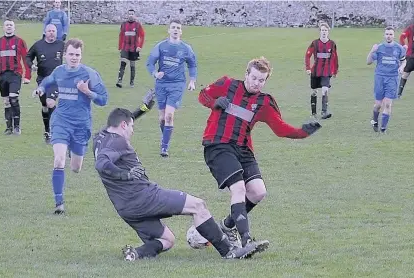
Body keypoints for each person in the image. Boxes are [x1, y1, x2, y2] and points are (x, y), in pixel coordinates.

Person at [92, 107, 269, 261]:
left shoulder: (100, 136)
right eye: (131, 126)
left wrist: (143, 109)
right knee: (198, 205)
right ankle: (229, 251)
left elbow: (117, 130)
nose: (132, 130)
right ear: (123, 125)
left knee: (167, 241)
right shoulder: (118, 141)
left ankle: (136, 254)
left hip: (126, 208)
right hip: (144, 197)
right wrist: (125, 174)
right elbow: (101, 164)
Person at [198, 57, 322, 248]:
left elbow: (280, 128)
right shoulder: (227, 84)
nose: (256, 83)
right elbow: (203, 96)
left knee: (257, 192)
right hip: (217, 145)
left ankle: (227, 226)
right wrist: (214, 102)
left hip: (243, 149)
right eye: (254, 78)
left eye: (261, 80)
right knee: (238, 189)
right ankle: (246, 240)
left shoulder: (264, 102)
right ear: (246, 74)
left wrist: (303, 132)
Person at [34, 38, 108, 214]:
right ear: (65, 55)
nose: (74, 58)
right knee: (59, 160)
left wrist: (87, 91)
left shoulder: (89, 74)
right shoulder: (59, 71)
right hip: (61, 121)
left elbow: (103, 99)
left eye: (77, 55)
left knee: (75, 168)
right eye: (71, 54)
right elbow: (47, 81)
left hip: (81, 125)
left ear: (81, 56)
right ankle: (59, 203)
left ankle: (70, 148)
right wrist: (41, 89)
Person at [146, 19, 197, 157]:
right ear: (169, 30)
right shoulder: (161, 46)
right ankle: (166, 138)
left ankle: (164, 147)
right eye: (173, 27)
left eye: (178, 28)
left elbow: (192, 64)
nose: (175, 30)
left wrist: (192, 80)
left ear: (181, 31)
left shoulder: (186, 48)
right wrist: (155, 73)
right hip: (161, 85)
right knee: (162, 118)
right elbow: (150, 63)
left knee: (169, 115)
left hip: (177, 84)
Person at [0, 19, 31, 135]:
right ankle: (9, 128)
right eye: (7, 25)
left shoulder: (20, 41)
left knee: (13, 98)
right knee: (6, 102)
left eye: (11, 25)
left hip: (15, 74)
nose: (8, 27)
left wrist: (27, 76)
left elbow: (25, 58)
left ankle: (17, 126)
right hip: (2, 75)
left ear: (14, 28)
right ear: (3, 28)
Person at [26, 24, 65, 143]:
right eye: (49, 31)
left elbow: (71, 55)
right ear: (45, 32)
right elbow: (28, 57)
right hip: (42, 79)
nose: (52, 33)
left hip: (57, 80)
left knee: (50, 103)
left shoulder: (62, 45)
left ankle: (56, 128)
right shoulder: (38, 45)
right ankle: (47, 131)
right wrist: (31, 65)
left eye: (54, 31)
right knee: (44, 106)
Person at [367, 27, 406, 133]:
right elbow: (368, 62)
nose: (389, 36)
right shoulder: (379, 48)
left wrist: (401, 67)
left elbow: (404, 61)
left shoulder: (399, 48)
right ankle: (374, 120)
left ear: (394, 36)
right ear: (384, 36)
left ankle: (383, 129)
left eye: (391, 34)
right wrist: (372, 51)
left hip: (392, 78)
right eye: (387, 34)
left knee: (388, 104)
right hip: (380, 77)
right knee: (378, 105)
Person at [304, 22, 339, 119]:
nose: (324, 32)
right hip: (315, 71)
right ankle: (314, 113)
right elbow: (307, 55)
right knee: (314, 92)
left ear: (328, 31)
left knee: (325, 90)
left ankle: (324, 112)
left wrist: (335, 70)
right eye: (322, 30)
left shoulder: (332, 44)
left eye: (326, 30)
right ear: (320, 31)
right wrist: (308, 68)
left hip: (326, 72)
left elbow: (335, 58)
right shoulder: (315, 43)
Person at [116, 9, 146, 88]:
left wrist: (140, 46)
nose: (131, 15)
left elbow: (142, 36)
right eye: (129, 14)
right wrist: (120, 47)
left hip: (134, 48)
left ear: (134, 15)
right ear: (127, 15)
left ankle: (131, 82)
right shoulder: (123, 24)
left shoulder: (138, 25)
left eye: (132, 14)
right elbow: (121, 35)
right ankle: (119, 81)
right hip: (125, 48)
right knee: (123, 63)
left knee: (132, 65)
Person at [398, 22, 414, 98]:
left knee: (405, 75)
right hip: (411, 56)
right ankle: (399, 93)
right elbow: (402, 37)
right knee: (405, 74)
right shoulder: (410, 28)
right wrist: (403, 45)